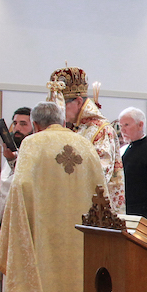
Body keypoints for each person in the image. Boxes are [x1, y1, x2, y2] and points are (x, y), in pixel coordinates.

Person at [0, 101, 107, 292]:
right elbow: (102, 194)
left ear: (36, 124)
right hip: (80, 242)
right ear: (62, 121)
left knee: (40, 291)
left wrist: (16, 229)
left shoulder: (32, 144)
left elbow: (19, 188)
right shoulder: (85, 146)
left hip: (42, 240)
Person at [51, 66, 124, 214]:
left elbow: (101, 172)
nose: (60, 111)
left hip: (96, 210)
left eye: (63, 105)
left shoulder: (101, 130)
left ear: (79, 102)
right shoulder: (75, 128)